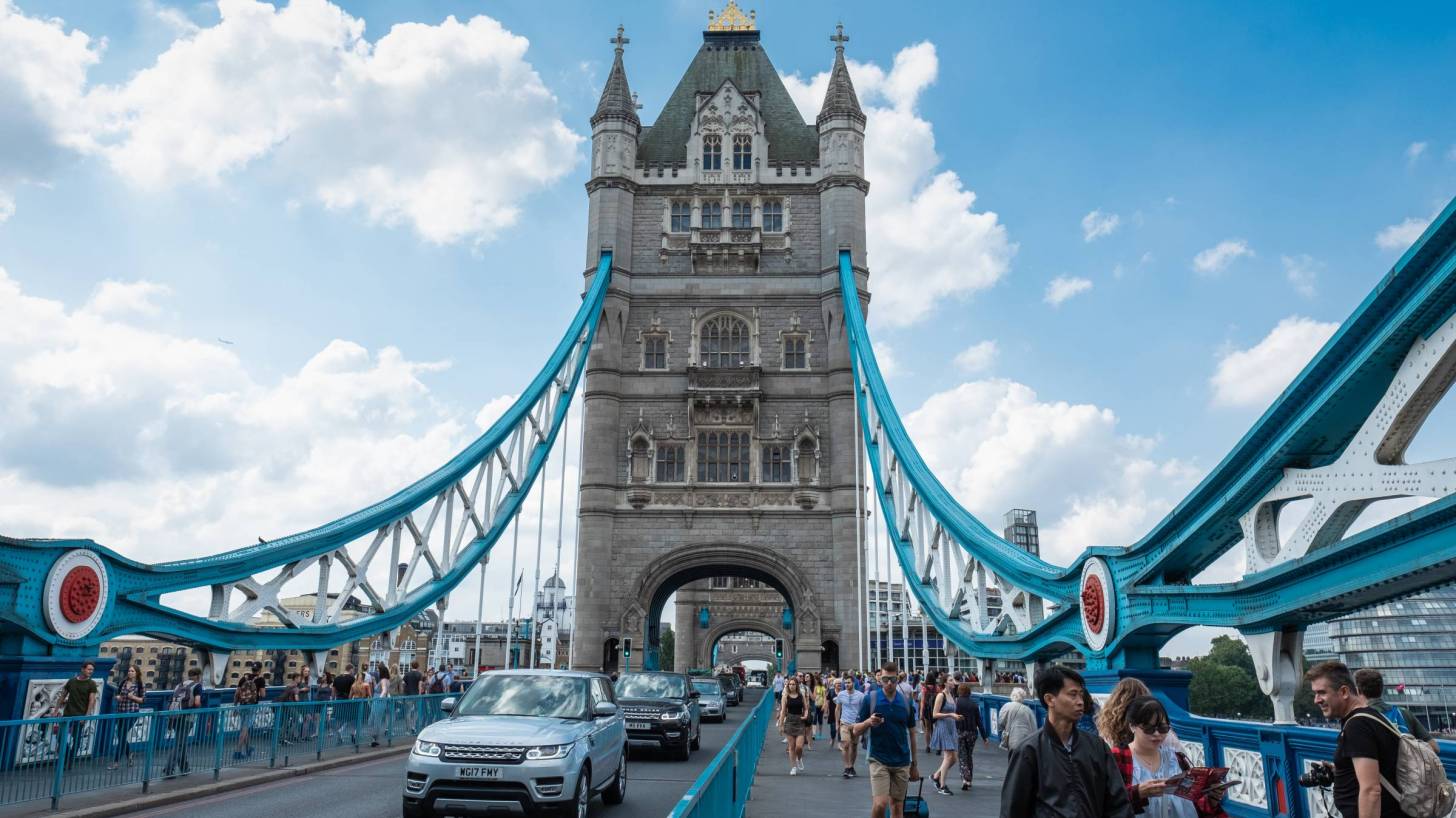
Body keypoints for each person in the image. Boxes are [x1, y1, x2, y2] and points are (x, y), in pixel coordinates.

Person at [1000, 665, 1132, 818]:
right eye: (1073, 695)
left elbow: (1118, 803)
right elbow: (1012, 809)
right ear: (1050, 699)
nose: (1080, 702)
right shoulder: (1029, 751)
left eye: (1081, 695)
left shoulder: (1097, 746)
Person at [1308, 660, 1412, 818]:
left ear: (1344, 692)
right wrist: (1342, 770)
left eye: (1322, 692)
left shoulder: (1357, 726)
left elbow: (1371, 790)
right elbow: (1380, 767)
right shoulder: (1369, 715)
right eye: (1315, 693)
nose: (1316, 700)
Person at [1109, 696, 1225, 818]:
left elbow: (1195, 804)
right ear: (1132, 726)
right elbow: (1105, 803)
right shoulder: (1118, 758)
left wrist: (1212, 798)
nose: (1157, 734)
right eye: (1149, 729)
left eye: (1163, 728)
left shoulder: (1176, 759)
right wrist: (1137, 793)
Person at [853, 661, 919, 818]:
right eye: (885, 679)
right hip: (878, 758)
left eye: (893, 679)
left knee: (897, 806)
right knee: (880, 804)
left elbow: (912, 734)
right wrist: (869, 722)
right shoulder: (870, 699)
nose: (889, 683)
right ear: (879, 680)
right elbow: (855, 730)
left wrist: (914, 764)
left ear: (898, 679)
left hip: (901, 760)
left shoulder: (906, 702)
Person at [1355, 668, 1438, 753]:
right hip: (1408, 764)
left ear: (1358, 691)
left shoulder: (1359, 719)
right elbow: (1435, 748)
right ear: (1381, 689)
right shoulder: (1404, 713)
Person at [162, 668, 205, 778]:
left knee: (182, 742)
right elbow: (197, 702)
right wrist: (200, 708)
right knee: (179, 744)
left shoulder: (179, 685)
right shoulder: (197, 686)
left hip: (175, 716)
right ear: (198, 676)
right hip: (187, 718)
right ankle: (168, 769)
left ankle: (184, 768)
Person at [55, 660, 99, 767]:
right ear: (82, 669)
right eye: (89, 669)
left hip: (80, 716)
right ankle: (69, 755)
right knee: (60, 737)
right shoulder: (72, 681)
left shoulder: (91, 684)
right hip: (67, 715)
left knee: (77, 738)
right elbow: (63, 696)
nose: (91, 671)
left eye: (92, 670)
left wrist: (86, 716)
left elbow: (91, 701)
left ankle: (69, 761)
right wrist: (56, 709)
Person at [108, 664, 145, 770]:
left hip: (132, 713)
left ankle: (116, 762)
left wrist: (133, 697)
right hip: (121, 712)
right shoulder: (123, 682)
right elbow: (117, 694)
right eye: (129, 671)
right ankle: (129, 754)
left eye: (132, 671)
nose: (130, 672)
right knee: (121, 735)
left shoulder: (140, 685)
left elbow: (143, 700)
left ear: (137, 673)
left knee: (122, 735)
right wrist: (117, 697)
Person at [928, 678, 961, 796]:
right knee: (948, 756)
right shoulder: (940, 696)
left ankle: (936, 776)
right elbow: (934, 714)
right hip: (943, 727)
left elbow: (952, 711)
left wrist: (955, 716)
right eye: (951, 680)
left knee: (954, 758)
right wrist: (950, 714)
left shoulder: (951, 695)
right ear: (945, 683)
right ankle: (942, 786)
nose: (953, 682)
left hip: (951, 727)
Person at [953, 681, 989, 791]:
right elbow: (979, 721)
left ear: (959, 691)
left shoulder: (957, 703)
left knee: (962, 756)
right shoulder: (974, 704)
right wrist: (985, 737)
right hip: (972, 733)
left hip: (961, 731)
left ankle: (965, 778)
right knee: (969, 755)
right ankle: (970, 780)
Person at [836, 678, 867, 778]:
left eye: (848, 682)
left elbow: (863, 710)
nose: (846, 684)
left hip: (856, 724)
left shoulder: (860, 695)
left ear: (853, 683)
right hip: (844, 722)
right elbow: (838, 709)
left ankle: (852, 767)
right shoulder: (841, 694)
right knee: (846, 745)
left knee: (854, 746)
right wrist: (837, 722)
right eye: (845, 683)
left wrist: (863, 724)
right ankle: (847, 767)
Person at [779, 676, 809, 774]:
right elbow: (783, 711)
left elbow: (806, 708)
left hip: (800, 721)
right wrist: (781, 725)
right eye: (790, 684)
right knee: (791, 747)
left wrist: (805, 715)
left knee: (799, 747)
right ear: (788, 685)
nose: (792, 686)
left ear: (797, 685)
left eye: (793, 684)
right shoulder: (785, 696)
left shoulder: (801, 696)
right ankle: (793, 767)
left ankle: (799, 758)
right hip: (790, 721)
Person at [998, 686, 1037, 751]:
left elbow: (1001, 722)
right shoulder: (1028, 710)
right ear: (1023, 697)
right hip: (1026, 741)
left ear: (1012, 695)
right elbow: (1034, 727)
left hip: (1012, 740)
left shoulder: (1007, 706)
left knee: (1013, 758)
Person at [233, 665, 258, 760]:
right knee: (244, 729)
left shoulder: (242, 681)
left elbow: (236, 694)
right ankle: (237, 751)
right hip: (251, 707)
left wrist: (235, 707)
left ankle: (248, 748)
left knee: (244, 728)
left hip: (242, 706)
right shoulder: (255, 683)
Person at [369, 664, 391, 747]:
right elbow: (387, 692)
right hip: (380, 701)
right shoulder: (386, 680)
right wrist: (375, 682)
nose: (378, 672)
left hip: (378, 701)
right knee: (375, 720)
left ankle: (374, 739)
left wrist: (379, 699)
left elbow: (384, 691)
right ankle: (375, 738)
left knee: (374, 720)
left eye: (379, 670)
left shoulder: (383, 680)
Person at [921, 671, 942, 753]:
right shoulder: (937, 688)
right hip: (936, 710)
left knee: (927, 729)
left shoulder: (924, 688)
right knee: (937, 728)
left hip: (926, 710)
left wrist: (921, 713)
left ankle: (928, 746)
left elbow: (922, 701)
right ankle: (938, 747)